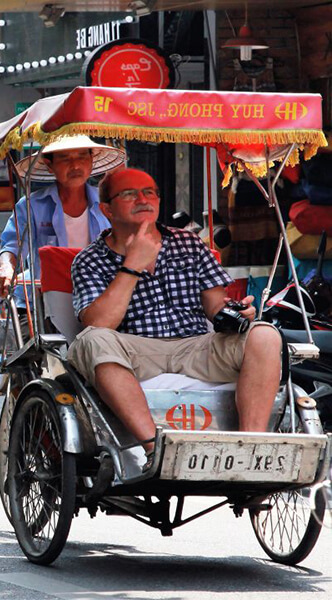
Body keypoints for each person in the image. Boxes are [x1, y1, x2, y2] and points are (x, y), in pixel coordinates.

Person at [67, 167, 282, 455]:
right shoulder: (90, 259)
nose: (143, 200)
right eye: (129, 194)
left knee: (265, 335)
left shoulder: (188, 243)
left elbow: (216, 306)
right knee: (92, 340)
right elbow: (100, 323)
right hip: (134, 351)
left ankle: (251, 451)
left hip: (195, 346)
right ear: (106, 209)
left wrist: (238, 312)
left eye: (149, 192)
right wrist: (132, 264)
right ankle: (155, 449)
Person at [0, 136, 124, 314]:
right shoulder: (31, 205)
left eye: (82, 156)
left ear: (91, 160)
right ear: (49, 164)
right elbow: (12, 247)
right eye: (65, 158)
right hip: (41, 302)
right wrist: (6, 268)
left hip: (98, 300)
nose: (75, 165)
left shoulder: (109, 205)